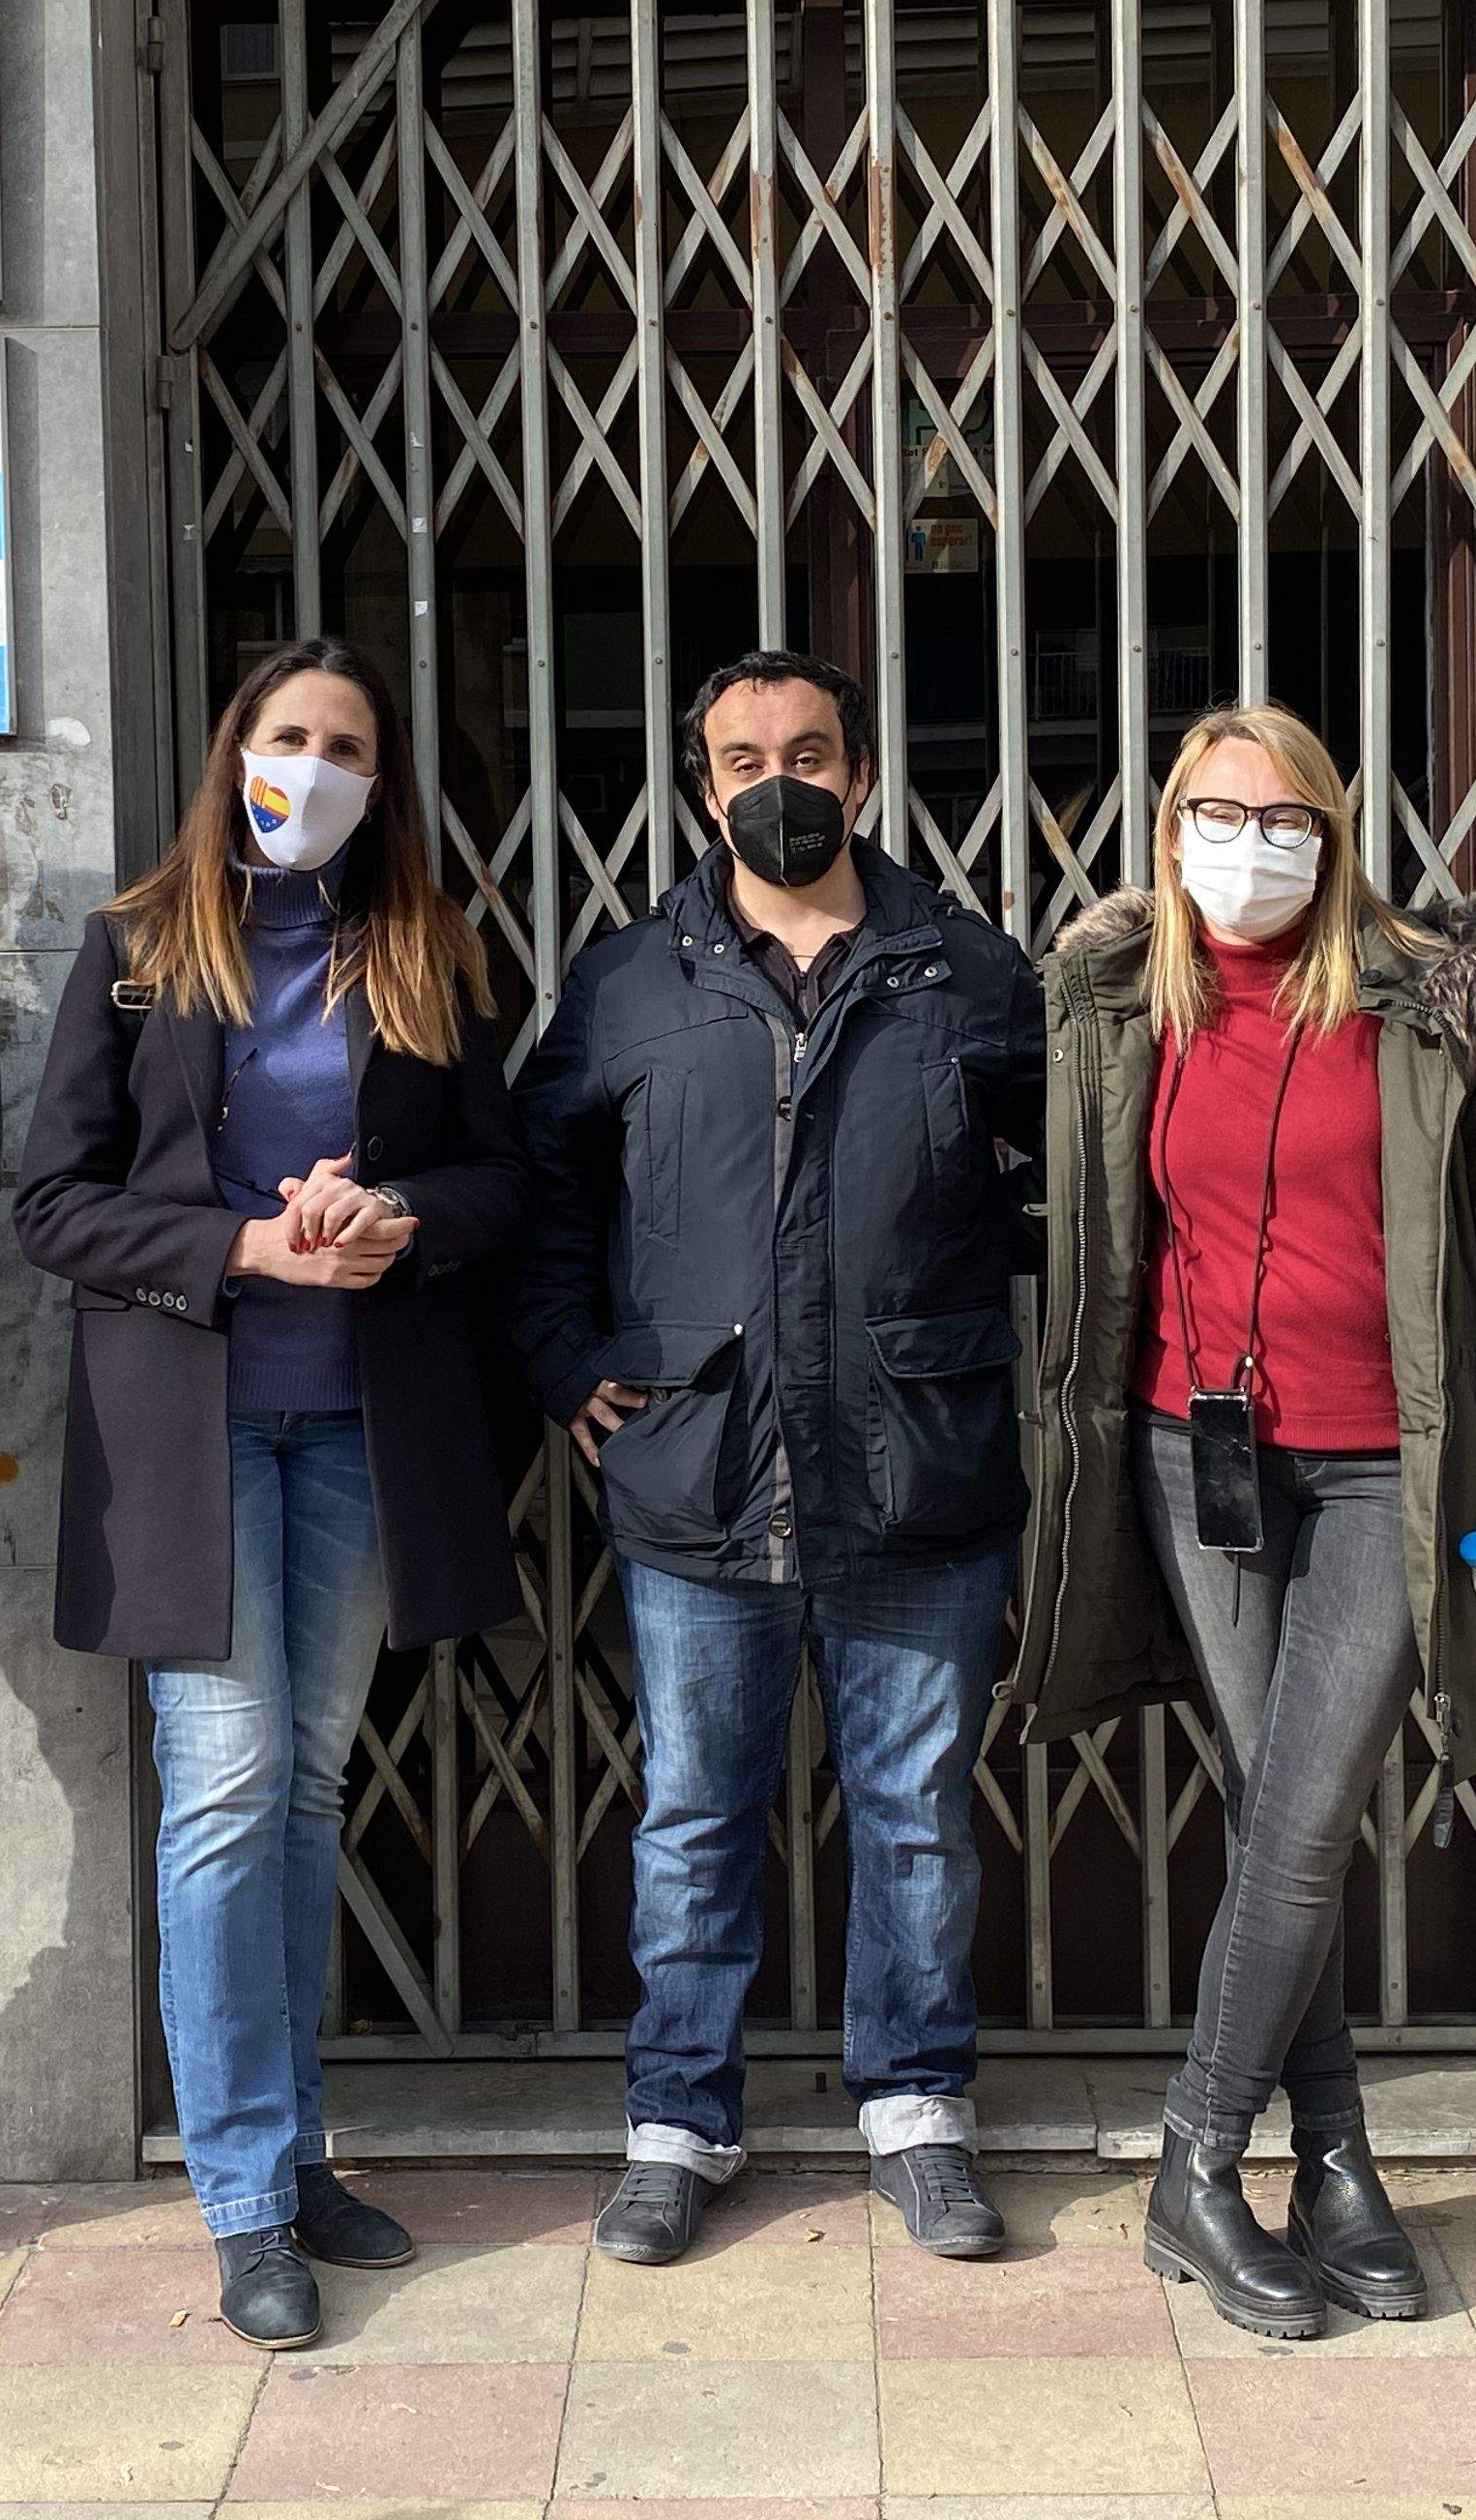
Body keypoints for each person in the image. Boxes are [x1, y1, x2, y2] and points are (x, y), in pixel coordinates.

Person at [1010, 703, 1476, 2339]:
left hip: (1377, 1476)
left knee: (1308, 1809)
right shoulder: (1122, 1007)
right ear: (1167, 825)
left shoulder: (1431, 1011)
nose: (1246, 844)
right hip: (1198, 1462)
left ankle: (1195, 2165)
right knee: (1288, 1808)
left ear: (1334, 839)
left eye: (1284, 817)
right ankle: (1336, 2159)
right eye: (1213, 810)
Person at [14, 637, 528, 2352]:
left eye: (348, 744)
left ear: (386, 778)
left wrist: (402, 1221)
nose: (312, 764)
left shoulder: (431, 956)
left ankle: (295, 2155)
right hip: (199, 1426)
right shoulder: (141, 953)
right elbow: (53, 1207)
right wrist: (238, 1244)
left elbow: (498, 1179)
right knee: (227, 1789)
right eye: (286, 735)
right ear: (235, 751)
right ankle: (242, 2191)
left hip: (365, 1428)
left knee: (307, 1785)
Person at [514, 648, 1047, 2268]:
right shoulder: (628, 984)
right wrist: (567, 1360)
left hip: (916, 1470)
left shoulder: (968, 972)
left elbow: (1078, 1180)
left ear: (865, 775)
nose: (778, 782)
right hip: (697, 1475)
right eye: (742, 759)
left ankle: (918, 2114)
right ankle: (678, 2124)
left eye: (808, 752)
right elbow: (542, 1189)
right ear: (701, 790)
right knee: (692, 1820)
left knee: (915, 1819)